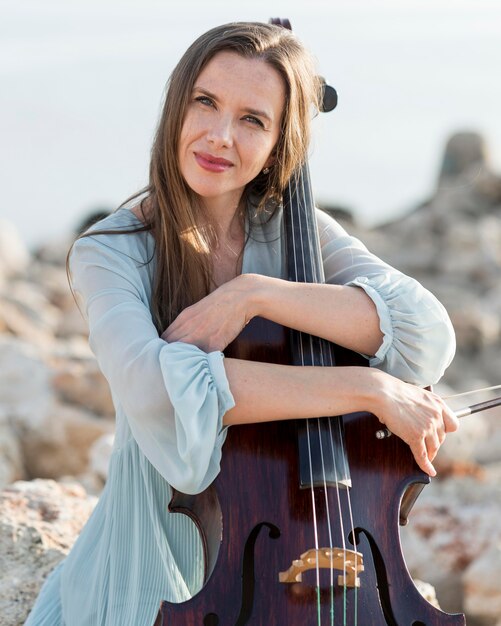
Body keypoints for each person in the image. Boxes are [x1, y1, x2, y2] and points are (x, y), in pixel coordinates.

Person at [25, 21, 458, 626]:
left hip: (299, 550)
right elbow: (157, 392)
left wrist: (256, 294)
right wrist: (366, 389)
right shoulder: (111, 252)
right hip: (148, 566)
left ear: (282, 139)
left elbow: (424, 333)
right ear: (177, 105)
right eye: (206, 102)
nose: (220, 136)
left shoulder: (296, 233)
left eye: (253, 119)